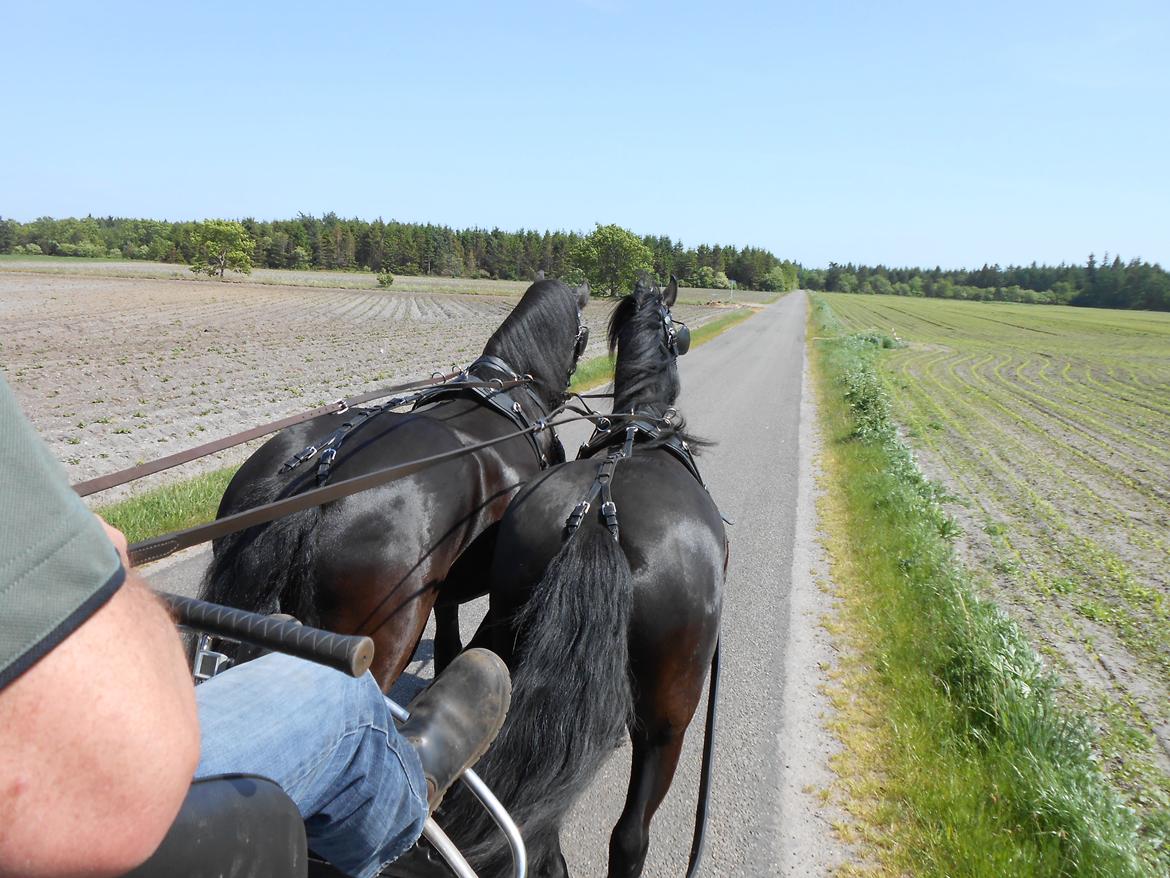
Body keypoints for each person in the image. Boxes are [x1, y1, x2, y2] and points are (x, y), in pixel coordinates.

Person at [0, 374, 510, 878]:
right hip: (102, 814)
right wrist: (109, 578)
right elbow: (128, 775)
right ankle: (407, 789)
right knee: (336, 687)